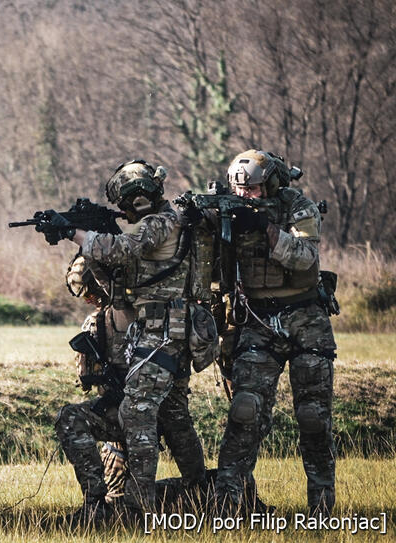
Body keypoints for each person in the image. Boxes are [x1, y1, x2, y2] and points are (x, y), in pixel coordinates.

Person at [48, 160, 207, 516]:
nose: (130, 207)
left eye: (133, 200)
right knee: (82, 417)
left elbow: (122, 248)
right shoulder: (145, 233)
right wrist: (88, 240)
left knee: (149, 416)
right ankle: (98, 506)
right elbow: (110, 287)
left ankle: (141, 510)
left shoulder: (164, 222)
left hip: (164, 338)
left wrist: (74, 232)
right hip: (139, 347)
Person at [213, 150, 336, 515]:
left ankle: (322, 510)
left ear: (270, 185)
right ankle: (229, 506)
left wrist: (264, 227)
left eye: (251, 189)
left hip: (306, 320)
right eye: (239, 189)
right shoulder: (230, 210)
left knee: (313, 417)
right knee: (244, 410)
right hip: (257, 321)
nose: (244, 195)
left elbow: (305, 256)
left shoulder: (298, 207)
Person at [54, 254, 129, 520]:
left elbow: (85, 378)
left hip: (137, 416)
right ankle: (99, 506)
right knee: (120, 502)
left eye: (89, 294)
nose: (88, 301)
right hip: (123, 417)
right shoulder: (135, 312)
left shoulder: (102, 321)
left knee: (69, 417)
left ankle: (94, 505)